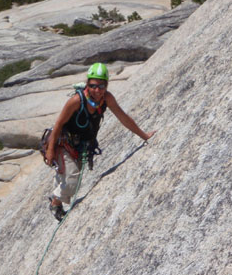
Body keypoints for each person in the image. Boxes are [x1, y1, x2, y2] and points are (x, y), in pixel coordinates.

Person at [43, 62, 155, 221]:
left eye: (101, 86)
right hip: (64, 143)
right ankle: (55, 203)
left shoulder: (107, 99)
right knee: (72, 178)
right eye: (93, 85)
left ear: (107, 85)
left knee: (70, 176)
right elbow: (59, 124)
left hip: (80, 145)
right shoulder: (76, 101)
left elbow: (123, 118)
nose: (97, 90)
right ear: (87, 84)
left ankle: (57, 197)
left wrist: (144, 135)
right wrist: (50, 150)